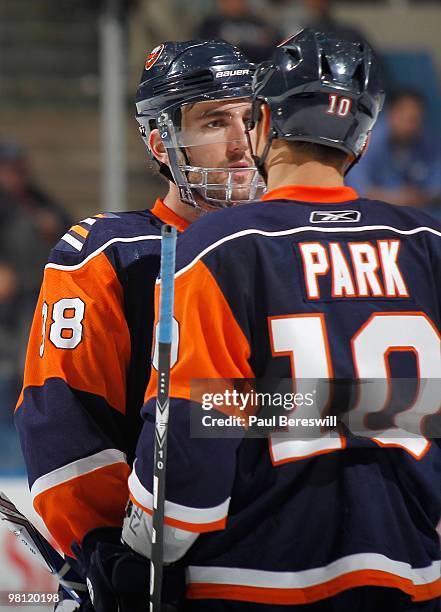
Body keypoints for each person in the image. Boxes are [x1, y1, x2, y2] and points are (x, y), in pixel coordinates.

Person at [118, 29, 440, 611]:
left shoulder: (219, 245)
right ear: (363, 144)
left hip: (258, 581)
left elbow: (184, 480)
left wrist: (134, 547)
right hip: (416, 577)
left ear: (263, 122)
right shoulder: (427, 244)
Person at [14, 39, 263, 610]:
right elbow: (63, 421)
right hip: (163, 566)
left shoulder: (290, 247)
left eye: (252, 119)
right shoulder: (110, 253)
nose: (242, 144)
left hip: (286, 566)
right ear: (161, 140)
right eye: (215, 120)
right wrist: (108, 547)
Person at [348, 89, 441, 215]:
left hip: (418, 217)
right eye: (405, 117)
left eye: (414, 119)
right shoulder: (369, 140)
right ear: (391, 114)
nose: (409, 126)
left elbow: (436, 190)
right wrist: (398, 198)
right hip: (376, 215)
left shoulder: (430, 143)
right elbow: (358, 190)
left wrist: (417, 197)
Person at [195, 0, 281, 63]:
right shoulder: (210, 25)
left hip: (256, 71)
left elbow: (273, 48)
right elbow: (207, 52)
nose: (236, 3)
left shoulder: (258, 24)